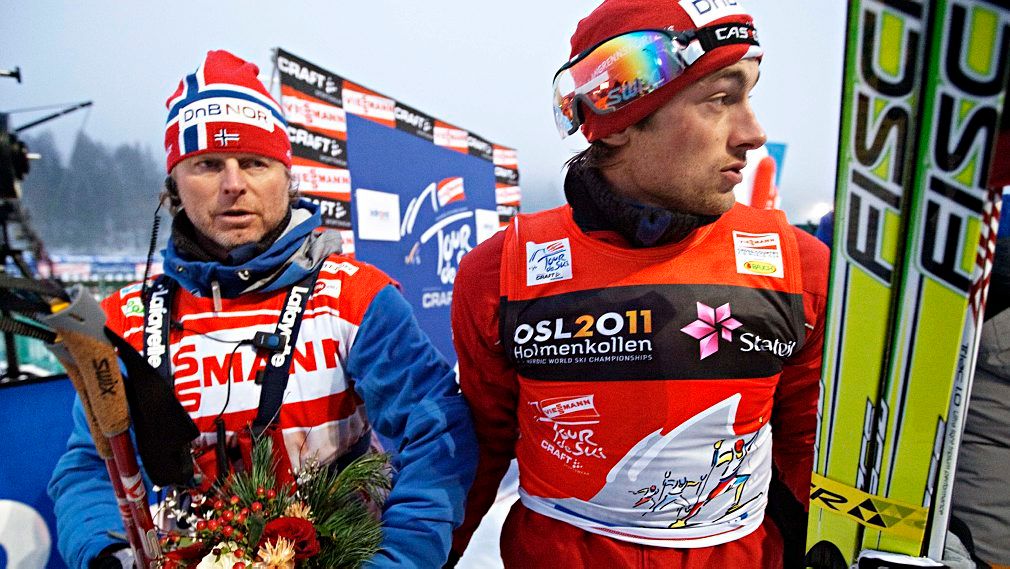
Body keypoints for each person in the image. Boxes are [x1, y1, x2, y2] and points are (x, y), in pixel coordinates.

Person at [47, 50, 477, 569]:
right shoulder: (124, 321)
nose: (234, 184)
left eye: (255, 162)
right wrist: (105, 553)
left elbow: (436, 432)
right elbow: (92, 465)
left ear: (286, 176)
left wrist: (397, 558)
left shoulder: (356, 298)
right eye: (208, 164)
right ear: (174, 186)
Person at [447, 1, 829, 567]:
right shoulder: (499, 271)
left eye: (749, 96)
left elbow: (810, 446)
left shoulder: (800, 264)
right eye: (721, 99)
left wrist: (863, 538)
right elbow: (476, 456)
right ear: (620, 118)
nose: (754, 134)